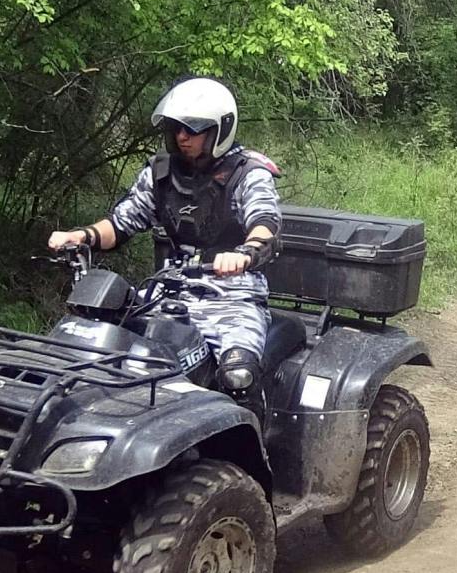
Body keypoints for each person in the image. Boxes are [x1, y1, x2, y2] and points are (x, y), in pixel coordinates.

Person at [46, 77, 281, 399]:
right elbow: (121, 223)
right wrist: (81, 236)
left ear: (219, 130)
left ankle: (249, 443)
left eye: (193, 129)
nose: (182, 136)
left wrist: (246, 252)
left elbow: (265, 221)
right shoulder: (160, 173)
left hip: (231, 297)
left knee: (239, 373)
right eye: (177, 128)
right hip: (167, 290)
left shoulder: (248, 173)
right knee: (104, 345)